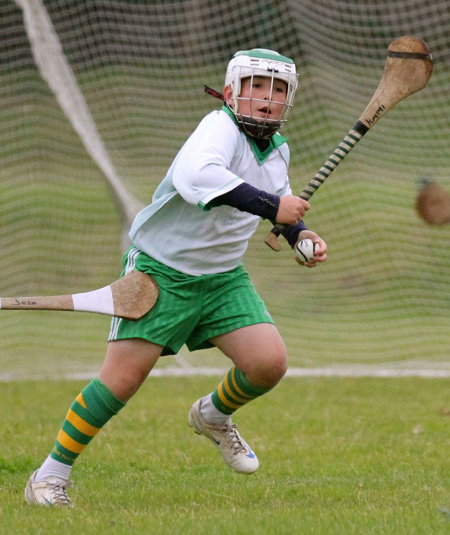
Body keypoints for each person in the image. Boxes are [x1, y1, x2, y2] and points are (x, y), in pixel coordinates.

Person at [24, 48, 327, 506]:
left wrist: (300, 235)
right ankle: (49, 476)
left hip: (223, 279)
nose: (268, 96)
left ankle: (212, 415)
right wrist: (273, 208)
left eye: (279, 88)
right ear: (231, 93)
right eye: (257, 85)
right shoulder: (218, 128)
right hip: (161, 273)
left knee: (268, 364)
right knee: (122, 380)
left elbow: (279, 200)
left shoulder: (277, 149)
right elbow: (198, 177)